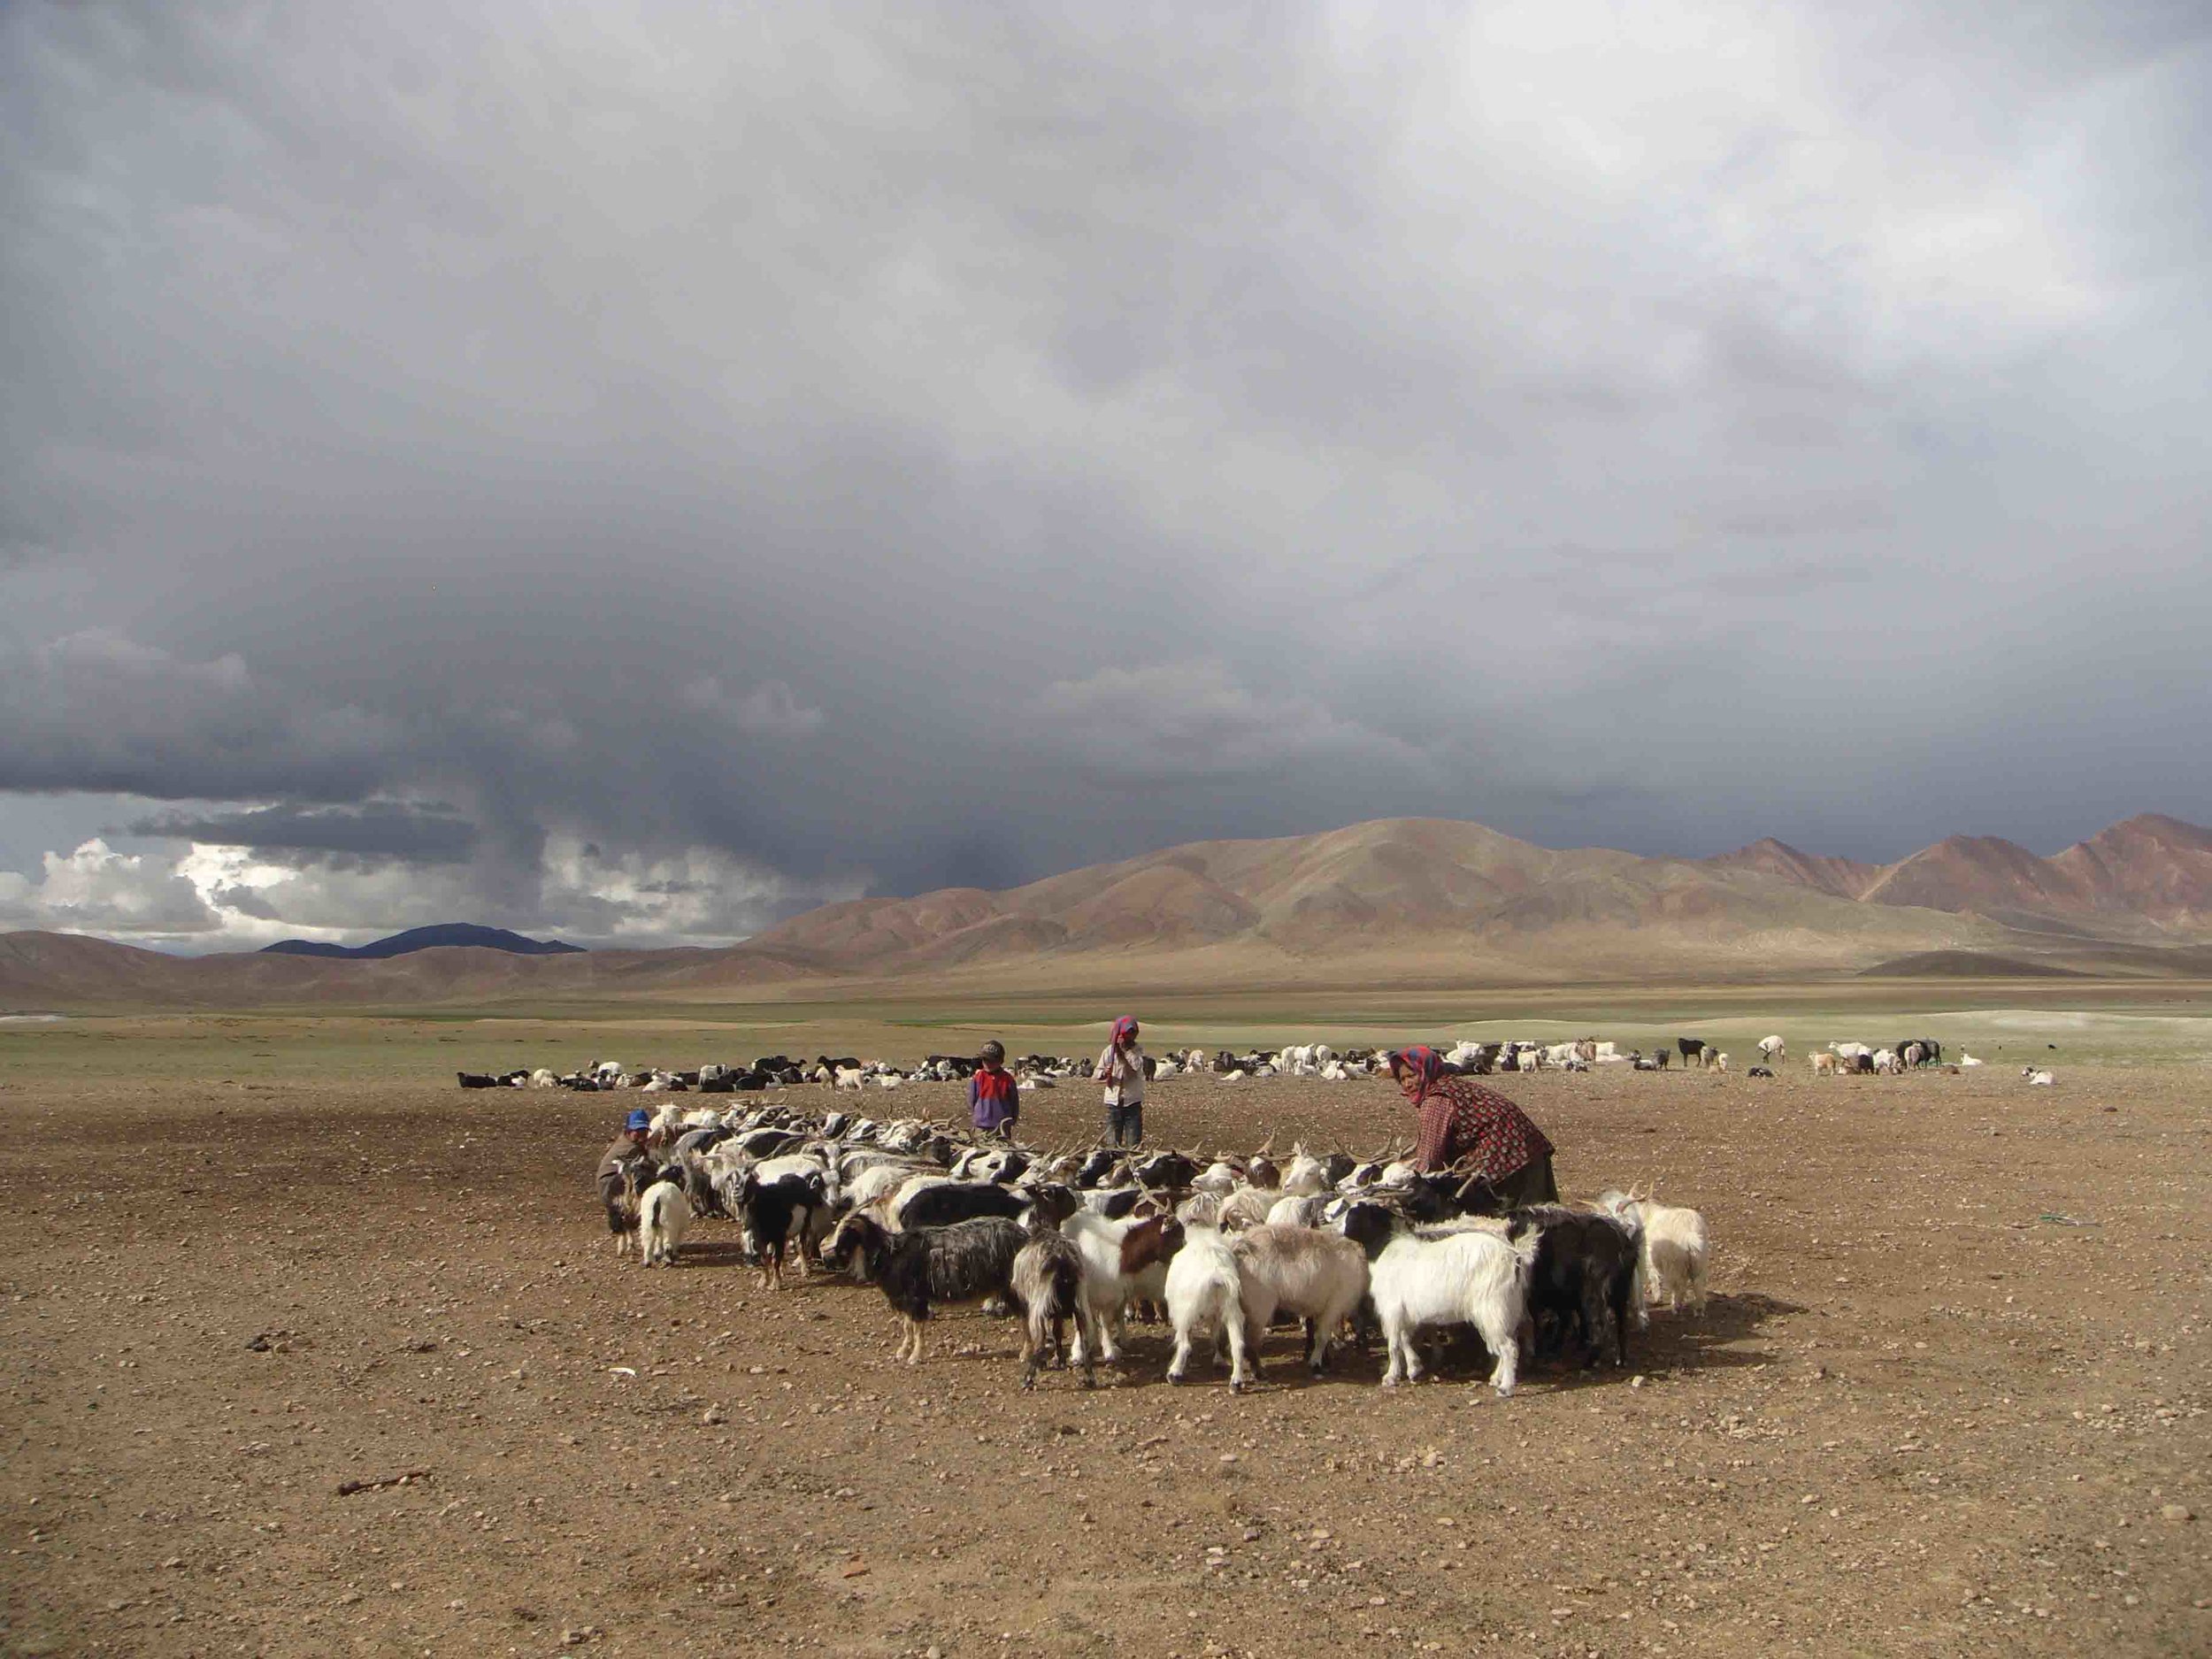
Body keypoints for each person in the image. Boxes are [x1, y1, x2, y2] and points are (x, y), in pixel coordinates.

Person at [1389, 1045, 1558, 1206]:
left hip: (1506, 1161)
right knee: (1540, 1219)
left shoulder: (1437, 1099)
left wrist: (1408, 1190)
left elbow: (1429, 1158)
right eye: (1402, 1079)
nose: (1407, 1084)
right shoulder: (1451, 1084)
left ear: (1426, 1071)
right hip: (1528, 1149)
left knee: (1518, 1224)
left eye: (1412, 1075)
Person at [1094, 1015, 1147, 1147]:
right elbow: (1095, 1076)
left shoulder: (1137, 1051)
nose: (1131, 1036)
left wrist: (1122, 1052)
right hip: (1113, 1103)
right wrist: (1103, 1073)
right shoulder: (1108, 1052)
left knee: (1133, 1145)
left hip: (1132, 1103)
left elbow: (1135, 1071)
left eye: (1133, 1033)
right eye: (1128, 1033)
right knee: (1112, 1145)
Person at [595, 1108, 654, 1207]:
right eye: (638, 1131)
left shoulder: (625, 1139)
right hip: (609, 1189)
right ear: (629, 1131)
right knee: (645, 1176)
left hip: (608, 1185)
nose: (642, 1135)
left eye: (644, 1131)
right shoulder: (631, 1150)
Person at [970, 1041, 1019, 1140]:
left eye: (991, 1061)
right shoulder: (978, 1077)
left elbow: (1014, 1101)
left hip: (1001, 1126)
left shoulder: (1008, 1079)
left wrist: (1012, 1119)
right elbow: (972, 1099)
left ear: (1000, 1061)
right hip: (981, 1125)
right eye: (984, 1060)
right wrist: (978, 1115)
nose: (987, 1063)